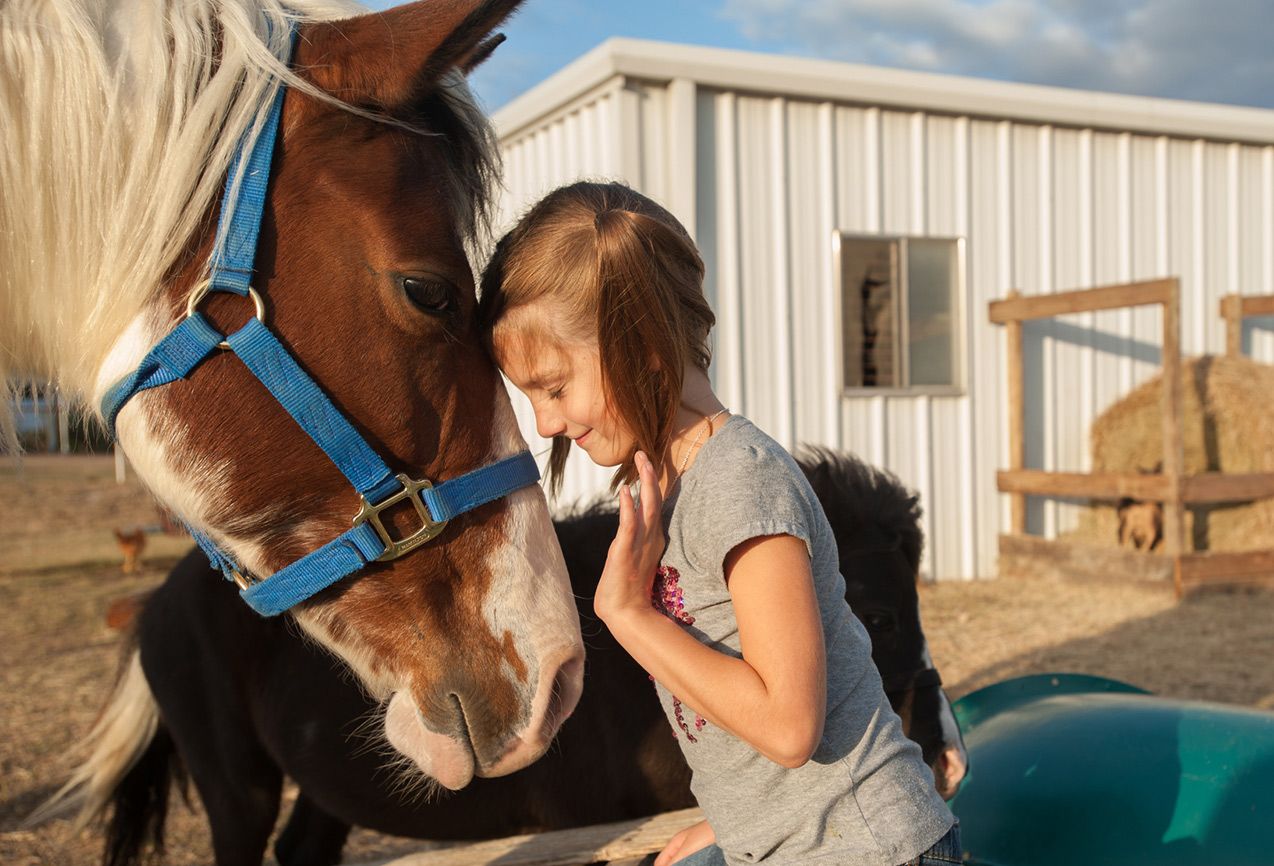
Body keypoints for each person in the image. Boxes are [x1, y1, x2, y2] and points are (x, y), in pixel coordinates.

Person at [478, 181, 959, 866]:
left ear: (640, 342)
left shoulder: (740, 483)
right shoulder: (671, 482)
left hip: (868, 848)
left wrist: (627, 614)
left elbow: (790, 726)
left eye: (554, 388)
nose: (546, 422)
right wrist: (737, 821)